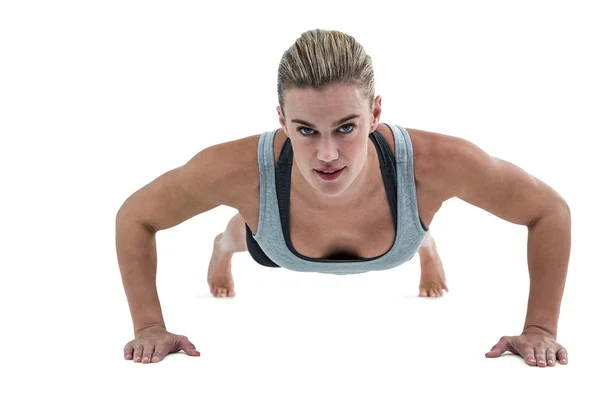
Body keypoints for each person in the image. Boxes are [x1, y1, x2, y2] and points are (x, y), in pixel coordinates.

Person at [116, 29, 571, 367]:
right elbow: (135, 216)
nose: (327, 154)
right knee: (241, 236)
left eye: (346, 127)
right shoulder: (235, 170)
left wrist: (539, 329)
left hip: (400, 232)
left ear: (375, 112)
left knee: (415, 230)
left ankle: (423, 243)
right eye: (306, 131)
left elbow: (548, 210)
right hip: (274, 245)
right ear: (282, 120)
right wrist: (149, 326)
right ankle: (223, 247)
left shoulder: (437, 163)